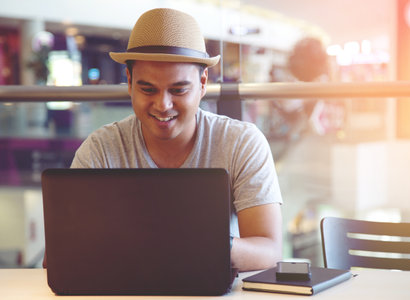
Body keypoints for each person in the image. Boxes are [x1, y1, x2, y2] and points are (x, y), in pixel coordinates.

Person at [69, 8, 282, 272]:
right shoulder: (100, 149)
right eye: (147, 89)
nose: (163, 105)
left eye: (179, 90)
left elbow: (269, 250)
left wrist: (199, 244)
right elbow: (64, 251)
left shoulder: (242, 143)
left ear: (203, 83)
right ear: (129, 82)